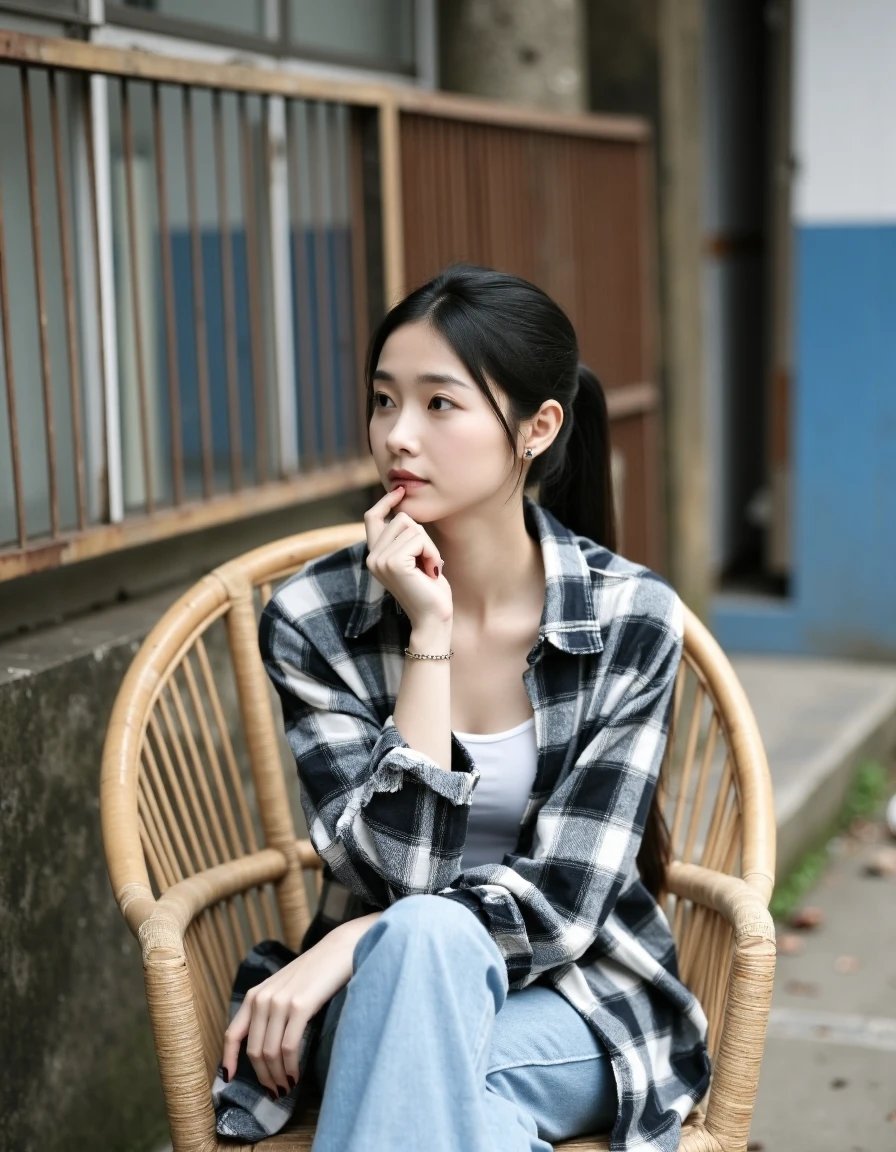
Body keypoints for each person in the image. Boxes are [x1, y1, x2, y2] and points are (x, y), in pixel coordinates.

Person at [216, 264, 710, 1151]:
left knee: (423, 963)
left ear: (537, 428)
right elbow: (401, 874)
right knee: (444, 1076)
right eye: (382, 400)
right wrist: (428, 632)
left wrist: (356, 939)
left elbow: (563, 900)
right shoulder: (313, 619)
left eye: (439, 405)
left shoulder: (631, 618)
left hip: (576, 1000)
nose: (397, 435)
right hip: (382, 993)